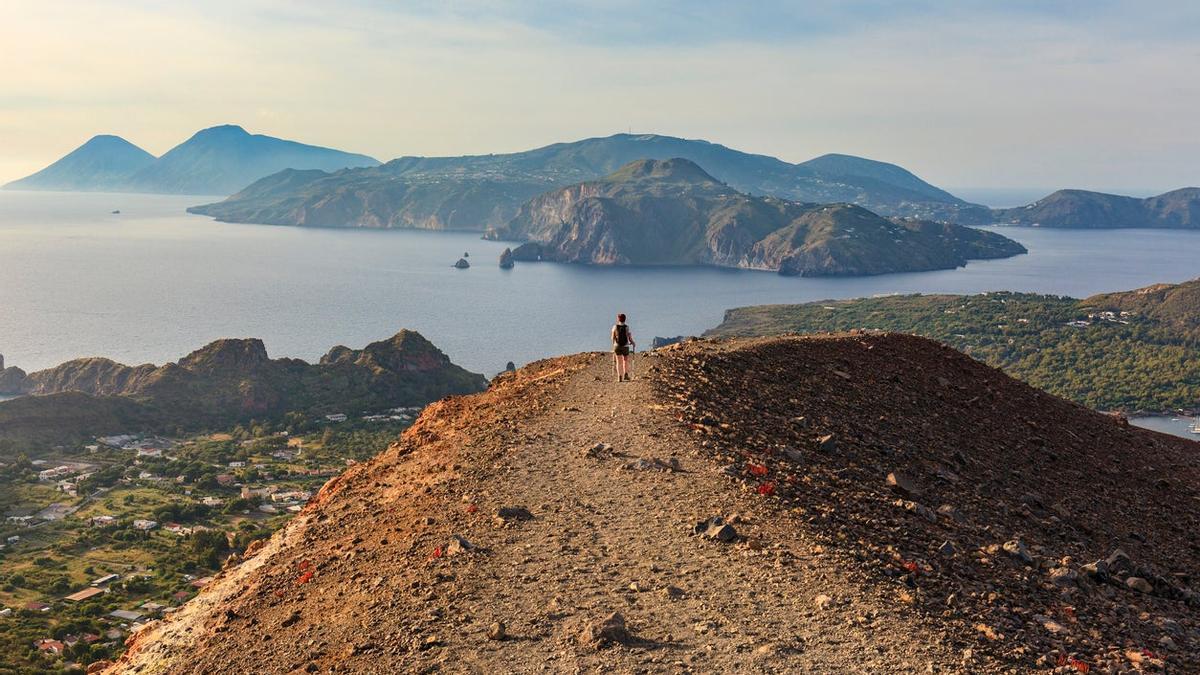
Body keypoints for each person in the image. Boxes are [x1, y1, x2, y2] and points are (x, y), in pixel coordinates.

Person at [611, 313, 635, 381]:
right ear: (625, 319)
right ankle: (626, 375)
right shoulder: (627, 327)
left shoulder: (614, 327)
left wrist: (613, 345)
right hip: (625, 346)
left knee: (618, 362)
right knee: (625, 361)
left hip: (617, 346)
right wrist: (633, 343)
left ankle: (619, 377)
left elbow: (612, 337)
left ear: (618, 319)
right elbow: (629, 337)